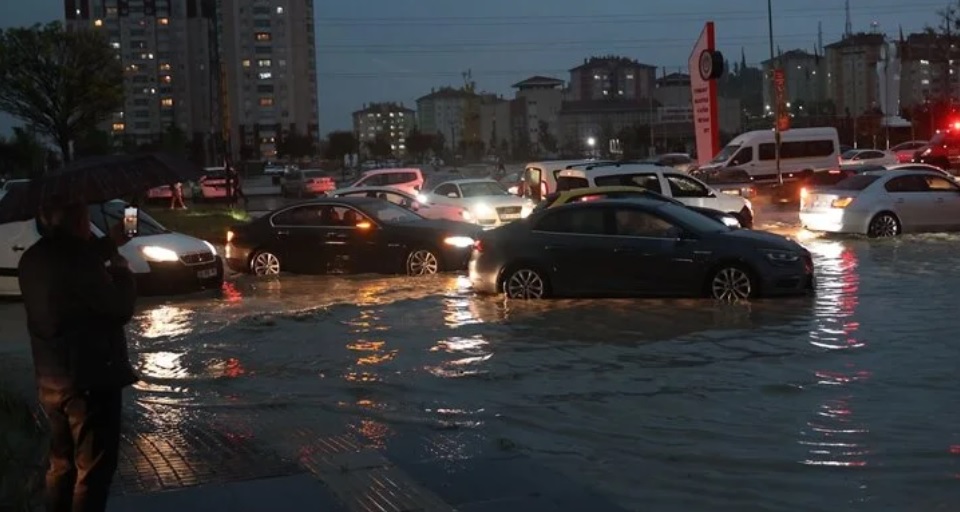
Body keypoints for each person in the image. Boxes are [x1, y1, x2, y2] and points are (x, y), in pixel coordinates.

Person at [18, 201, 138, 512]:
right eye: (85, 215)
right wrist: (123, 273)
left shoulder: (33, 258)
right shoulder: (80, 262)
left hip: (51, 379)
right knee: (92, 470)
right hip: (90, 379)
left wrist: (110, 243)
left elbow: (72, 269)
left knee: (61, 464)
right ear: (79, 221)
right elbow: (118, 308)